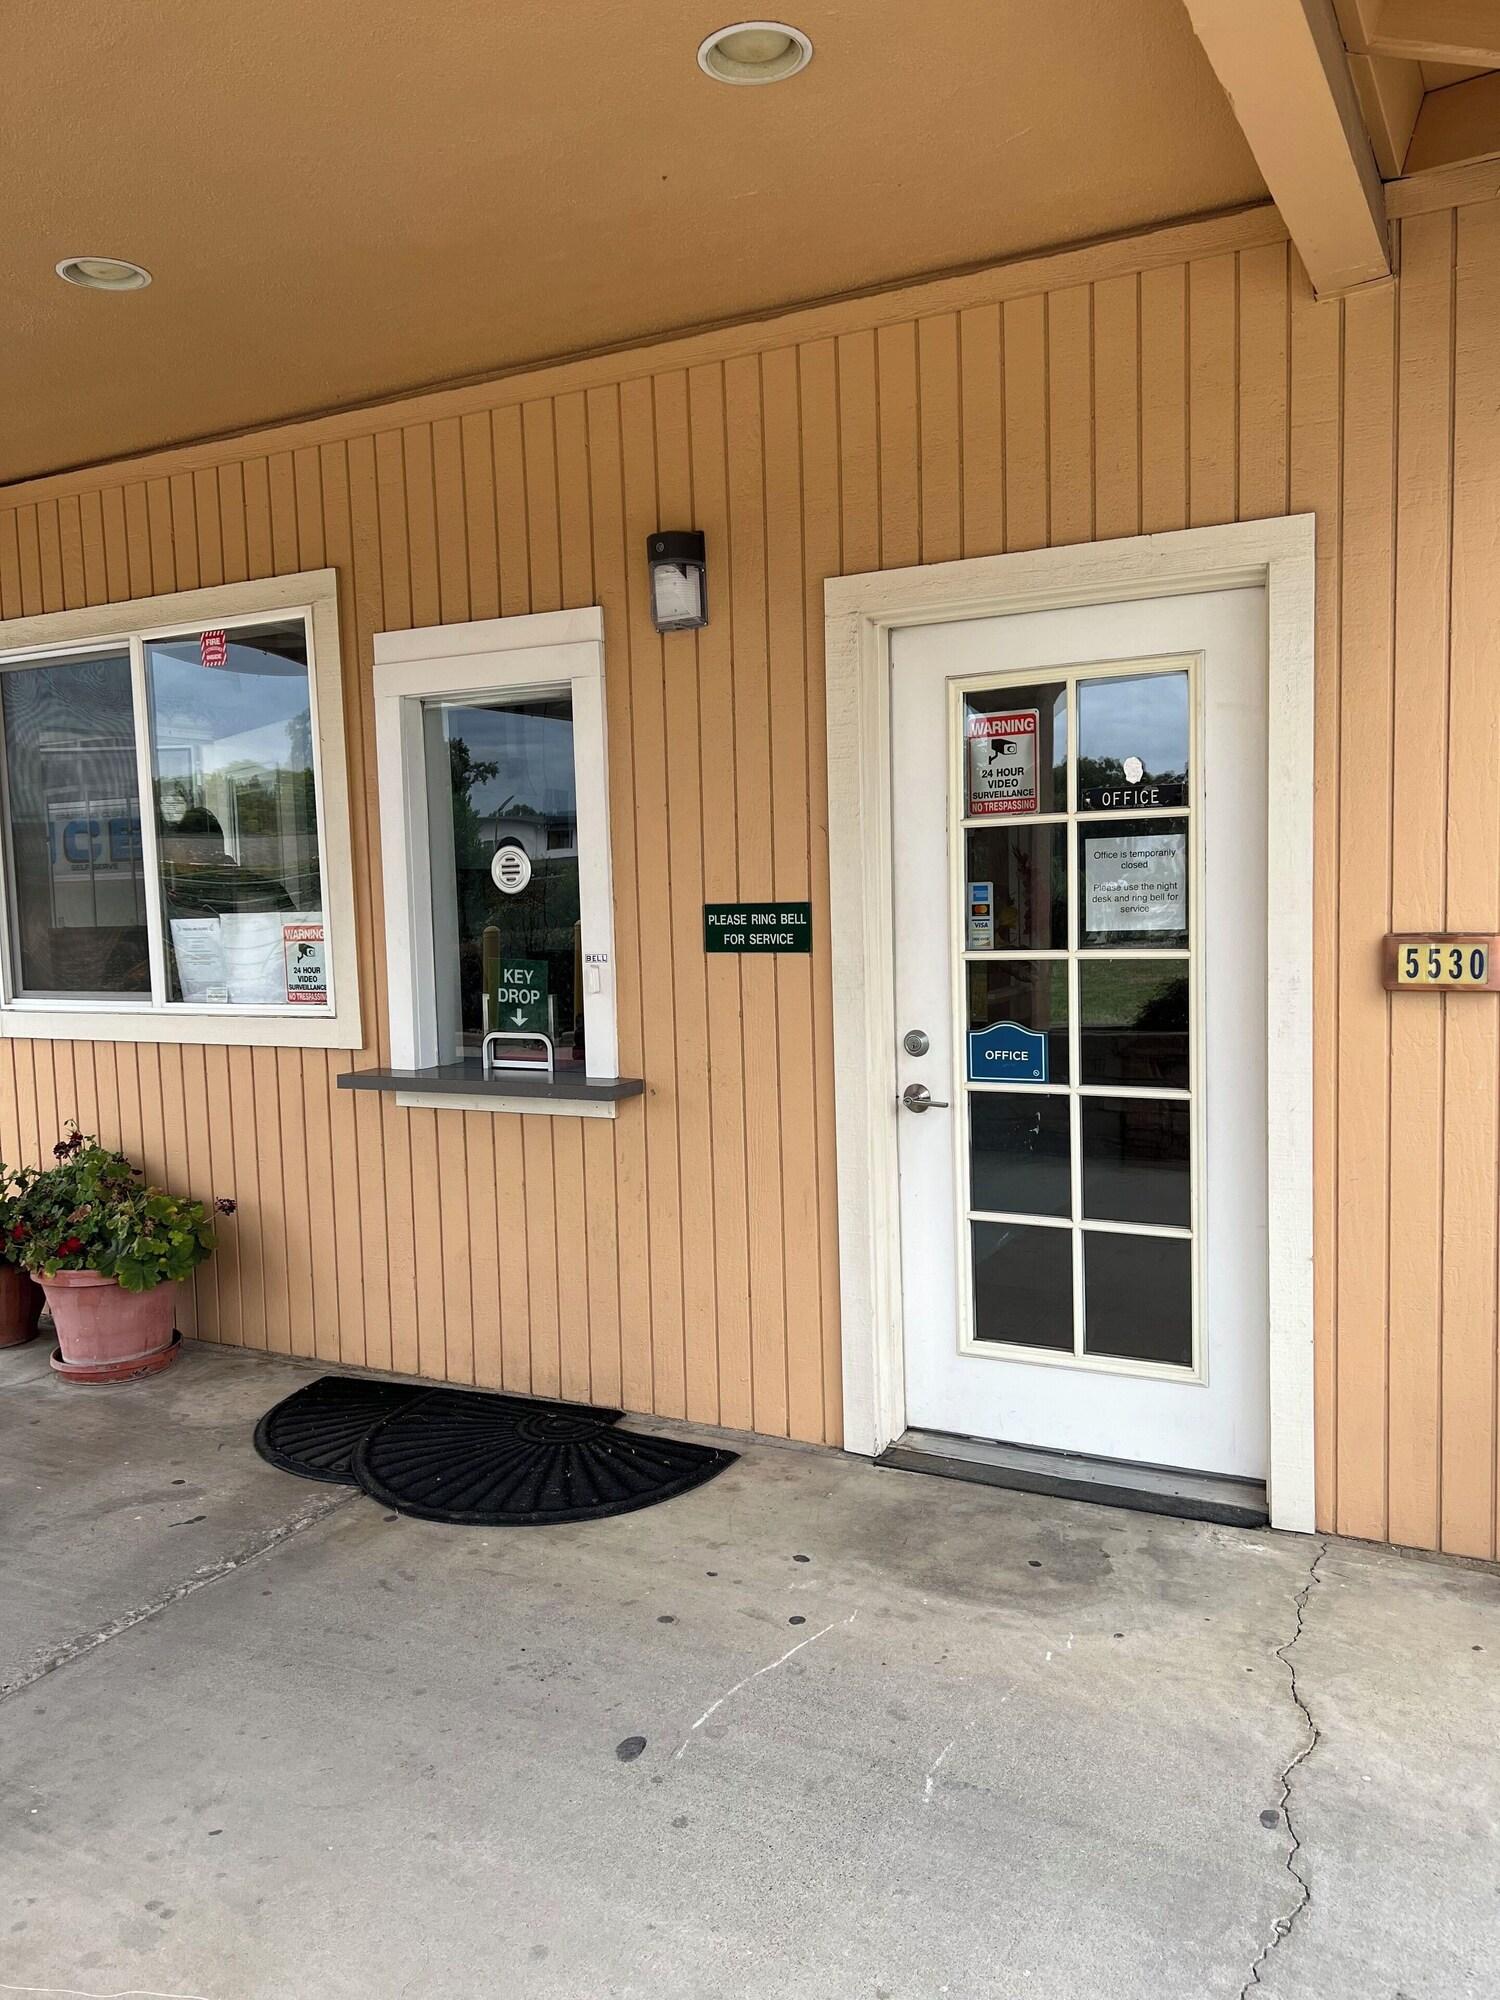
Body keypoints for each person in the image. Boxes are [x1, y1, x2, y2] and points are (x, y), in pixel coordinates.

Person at [160, 806, 294, 916]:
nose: (170, 859)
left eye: (177, 846)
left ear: (192, 853)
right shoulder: (267, 889)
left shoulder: (191, 895)